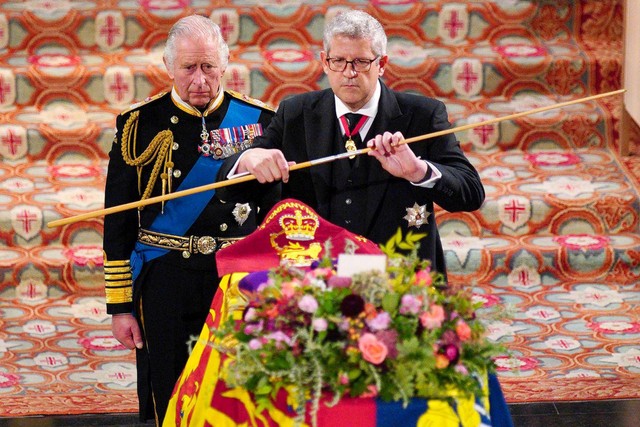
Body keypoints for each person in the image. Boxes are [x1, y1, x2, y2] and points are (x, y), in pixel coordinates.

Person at [102, 14, 277, 425]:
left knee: (238, 391)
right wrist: (120, 307)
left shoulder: (260, 123)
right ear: (168, 67)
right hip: (166, 277)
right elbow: (119, 223)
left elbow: (276, 218)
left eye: (209, 67)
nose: (200, 79)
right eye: (188, 68)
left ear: (225, 63)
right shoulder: (138, 126)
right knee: (173, 388)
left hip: (236, 280)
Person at [222, 9, 484, 277]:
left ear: (381, 64)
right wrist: (248, 160)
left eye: (360, 62)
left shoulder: (423, 115)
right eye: (338, 61)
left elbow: (472, 193)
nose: (348, 73)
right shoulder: (295, 113)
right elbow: (232, 188)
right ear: (324, 62)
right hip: (314, 279)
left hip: (398, 280)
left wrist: (418, 171)